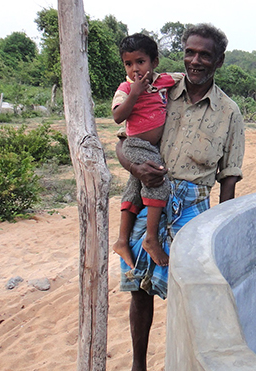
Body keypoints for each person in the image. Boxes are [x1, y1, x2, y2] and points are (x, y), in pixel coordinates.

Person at [115, 24, 245, 371]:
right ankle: (138, 365)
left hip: (194, 206)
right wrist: (135, 168)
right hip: (150, 196)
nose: (195, 60)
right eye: (190, 52)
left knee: (192, 291)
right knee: (138, 288)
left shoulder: (229, 112)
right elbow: (123, 140)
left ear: (218, 61)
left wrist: (223, 230)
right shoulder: (157, 89)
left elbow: (229, 178)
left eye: (205, 55)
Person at [111, 33, 183, 270]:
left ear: (154, 62)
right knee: (157, 180)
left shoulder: (162, 81)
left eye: (140, 62)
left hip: (151, 147)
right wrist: (135, 93)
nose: (135, 69)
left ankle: (122, 240)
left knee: (133, 188)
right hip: (135, 145)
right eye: (128, 64)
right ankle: (151, 239)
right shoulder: (125, 88)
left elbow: (183, 79)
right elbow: (118, 116)